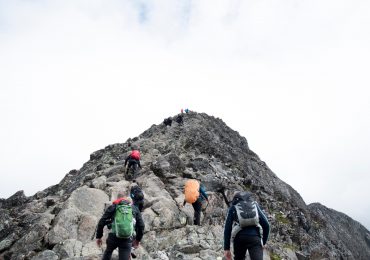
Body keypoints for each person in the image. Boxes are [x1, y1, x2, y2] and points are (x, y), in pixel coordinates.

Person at [96, 193, 145, 260]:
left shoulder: (113, 207)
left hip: (113, 237)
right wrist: (137, 240)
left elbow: (101, 222)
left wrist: (99, 237)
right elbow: (141, 225)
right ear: (127, 199)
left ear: (117, 199)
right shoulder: (134, 208)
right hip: (127, 239)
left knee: (108, 251)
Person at [223, 191, 270, 260]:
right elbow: (266, 225)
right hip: (255, 238)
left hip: (239, 238)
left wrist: (226, 248)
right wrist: (263, 242)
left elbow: (227, 229)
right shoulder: (255, 205)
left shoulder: (233, 207)